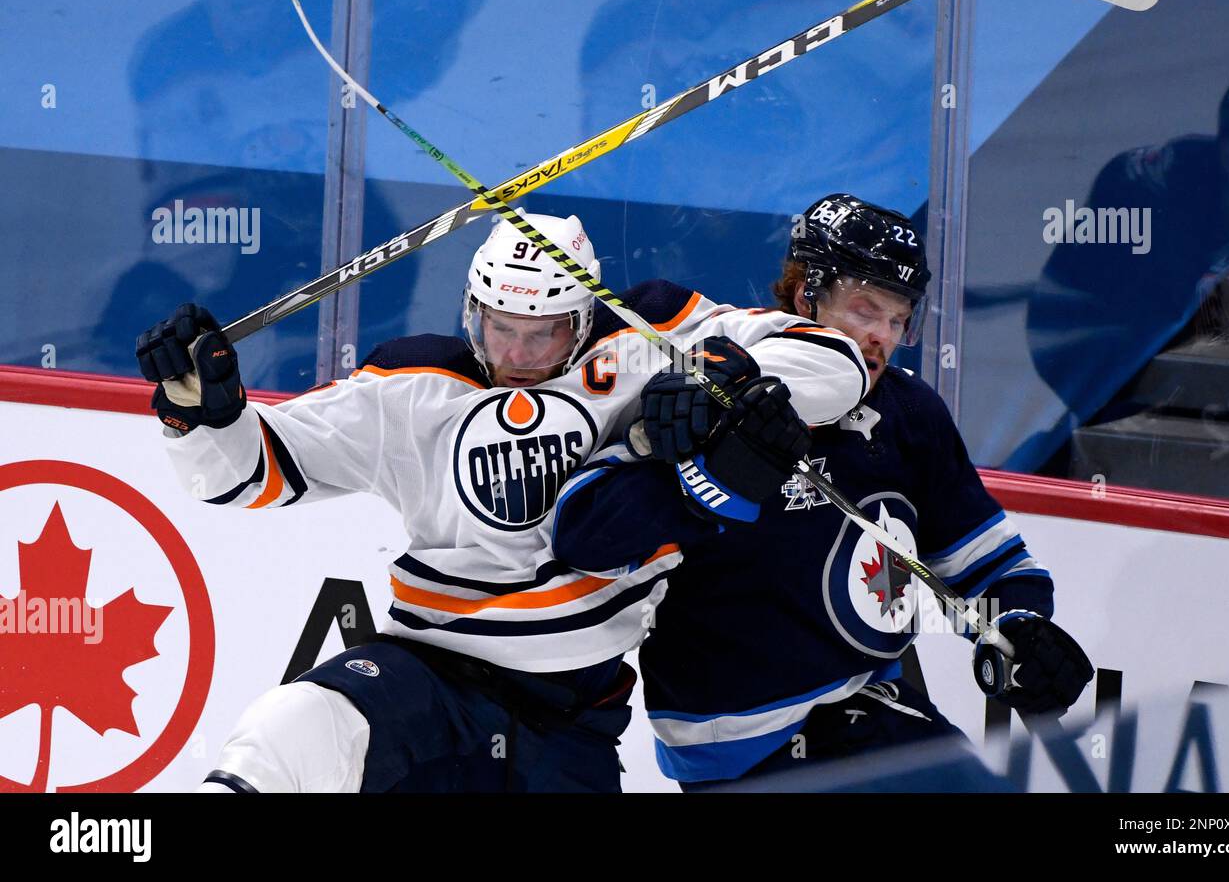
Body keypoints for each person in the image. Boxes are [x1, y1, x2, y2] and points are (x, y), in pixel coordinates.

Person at [134, 210, 869, 792]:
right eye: (498, 328)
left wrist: (722, 372)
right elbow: (235, 475)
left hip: (574, 724)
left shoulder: (651, 336)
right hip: (432, 677)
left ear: (583, 320)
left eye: (541, 334)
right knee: (295, 727)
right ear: (471, 309)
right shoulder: (412, 386)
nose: (514, 355)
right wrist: (201, 412)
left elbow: (835, 361)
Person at [550, 194, 1094, 789]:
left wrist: (1015, 626)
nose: (881, 336)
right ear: (806, 293)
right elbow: (585, 535)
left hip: (868, 711)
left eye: (897, 319)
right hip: (740, 749)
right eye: (865, 309)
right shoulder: (711, 393)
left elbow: (985, 563)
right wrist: (695, 477)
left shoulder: (908, 412)